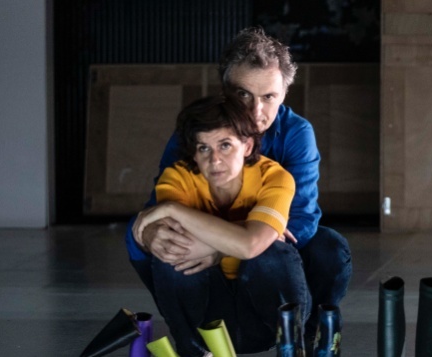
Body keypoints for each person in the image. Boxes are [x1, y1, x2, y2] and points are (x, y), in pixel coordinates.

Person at [124, 27, 352, 351]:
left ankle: (301, 337)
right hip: (205, 258)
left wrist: (223, 248)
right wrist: (149, 234)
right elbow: (160, 207)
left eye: (268, 97)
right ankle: (192, 337)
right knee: (147, 240)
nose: (254, 111)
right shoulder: (198, 134)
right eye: (243, 95)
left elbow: (299, 221)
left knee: (329, 249)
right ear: (225, 91)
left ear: (284, 94)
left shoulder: (296, 134)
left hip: (265, 254)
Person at [134, 95, 309, 355]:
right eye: (203, 148)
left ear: (247, 146)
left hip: (263, 320)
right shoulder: (178, 177)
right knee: (171, 257)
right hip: (210, 319)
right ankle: (191, 350)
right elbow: (175, 241)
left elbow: (251, 245)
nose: (214, 159)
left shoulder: (274, 177)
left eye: (225, 145)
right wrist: (244, 235)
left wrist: (175, 210)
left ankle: (292, 348)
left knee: (273, 253)